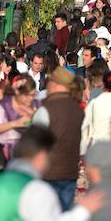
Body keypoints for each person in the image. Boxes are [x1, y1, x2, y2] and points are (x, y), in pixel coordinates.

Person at [32, 68, 85, 211]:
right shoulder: (78, 109)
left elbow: (35, 144)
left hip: (49, 173)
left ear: (54, 84)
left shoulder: (46, 110)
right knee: (64, 216)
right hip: (70, 172)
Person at [0, 74, 39, 171]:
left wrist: (35, 117)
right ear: (17, 92)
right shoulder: (2, 105)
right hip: (4, 153)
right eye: (27, 95)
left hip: (28, 154)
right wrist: (16, 123)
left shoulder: (37, 105)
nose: (31, 98)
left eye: (33, 94)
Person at [80, 71, 111, 154]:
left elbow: (84, 125)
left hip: (97, 145)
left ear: (103, 84)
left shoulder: (95, 102)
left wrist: (83, 150)